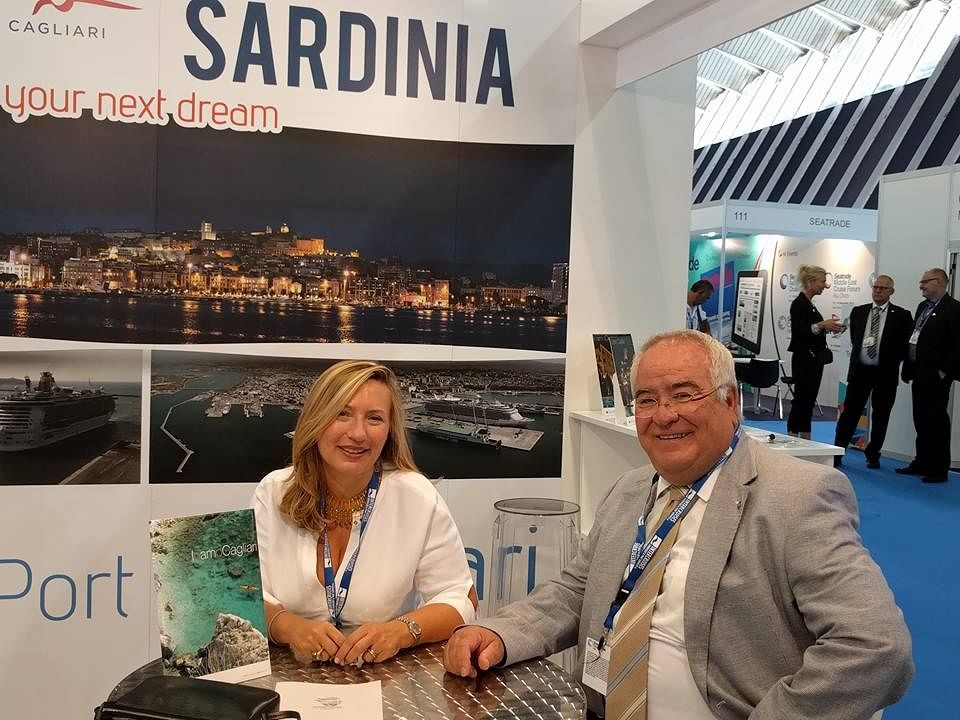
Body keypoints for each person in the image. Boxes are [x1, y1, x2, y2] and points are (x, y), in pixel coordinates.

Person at [444, 330, 912, 720]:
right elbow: (576, 591)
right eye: (646, 400)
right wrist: (500, 632)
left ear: (731, 401)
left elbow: (875, 647)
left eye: (684, 395)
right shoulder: (629, 489)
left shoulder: (795, 496)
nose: (664, 415)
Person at [254, 359, 476, 667]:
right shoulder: (274, 491)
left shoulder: (416, 497)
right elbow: (246, 594)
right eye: (342, 413)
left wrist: (401, 631)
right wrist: (288, 628)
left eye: (374, 418)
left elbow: (460, 599)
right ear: (316, 420)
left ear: (389, 430)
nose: (358, 433)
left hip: (385, 676)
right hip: (287, 673)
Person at [833, 275, 912, 468]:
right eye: (876, 287)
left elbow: (905, 346)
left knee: (881, 416)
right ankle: (838, 452)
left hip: (885, 374)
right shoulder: (859, 312)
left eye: (883, 288)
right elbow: (856, 340)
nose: (878, 291)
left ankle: (873, 454)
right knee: (849, 414)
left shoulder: (902, 315)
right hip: (860, 372)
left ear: (891, 291)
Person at [896, 268, 960, 484]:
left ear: (940, 282)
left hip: (937, 377)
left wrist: (944, 371)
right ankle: (922, 462)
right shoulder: (922, 306)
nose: (921, 285)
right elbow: (914, 337)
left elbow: (958, 345)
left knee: (936, 421)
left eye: (925, 281)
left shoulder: (954, 308)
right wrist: (907, 367)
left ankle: (939, 469)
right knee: (920, 420)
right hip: (919, 373)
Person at [786, 264, 845, 438]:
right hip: (804, 359)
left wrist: (828, 327)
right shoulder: (799, 304)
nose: (825, 286)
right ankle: (793, 435)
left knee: (809, 399)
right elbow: (800, 332)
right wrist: (822, 324)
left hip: (813, 360)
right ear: (811, 282)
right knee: (802, 399)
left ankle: (805, 437)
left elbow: (812, 330)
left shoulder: (809, 304)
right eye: (822, 281)